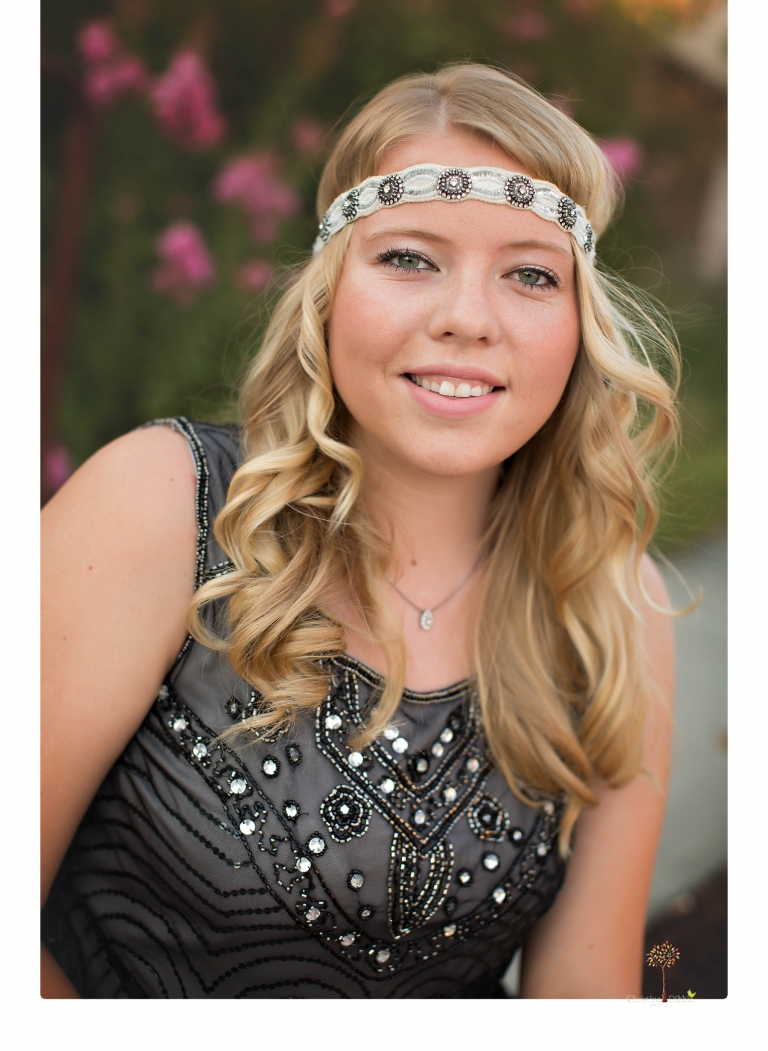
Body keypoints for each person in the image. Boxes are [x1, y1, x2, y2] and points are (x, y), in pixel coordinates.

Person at [41, 62, 678, 999]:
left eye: (532, 274)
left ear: (580, 325)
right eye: (410, 258)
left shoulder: (612, 603)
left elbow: (588, 999)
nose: (468, 319)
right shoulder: (162, 507)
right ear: (328, 291)